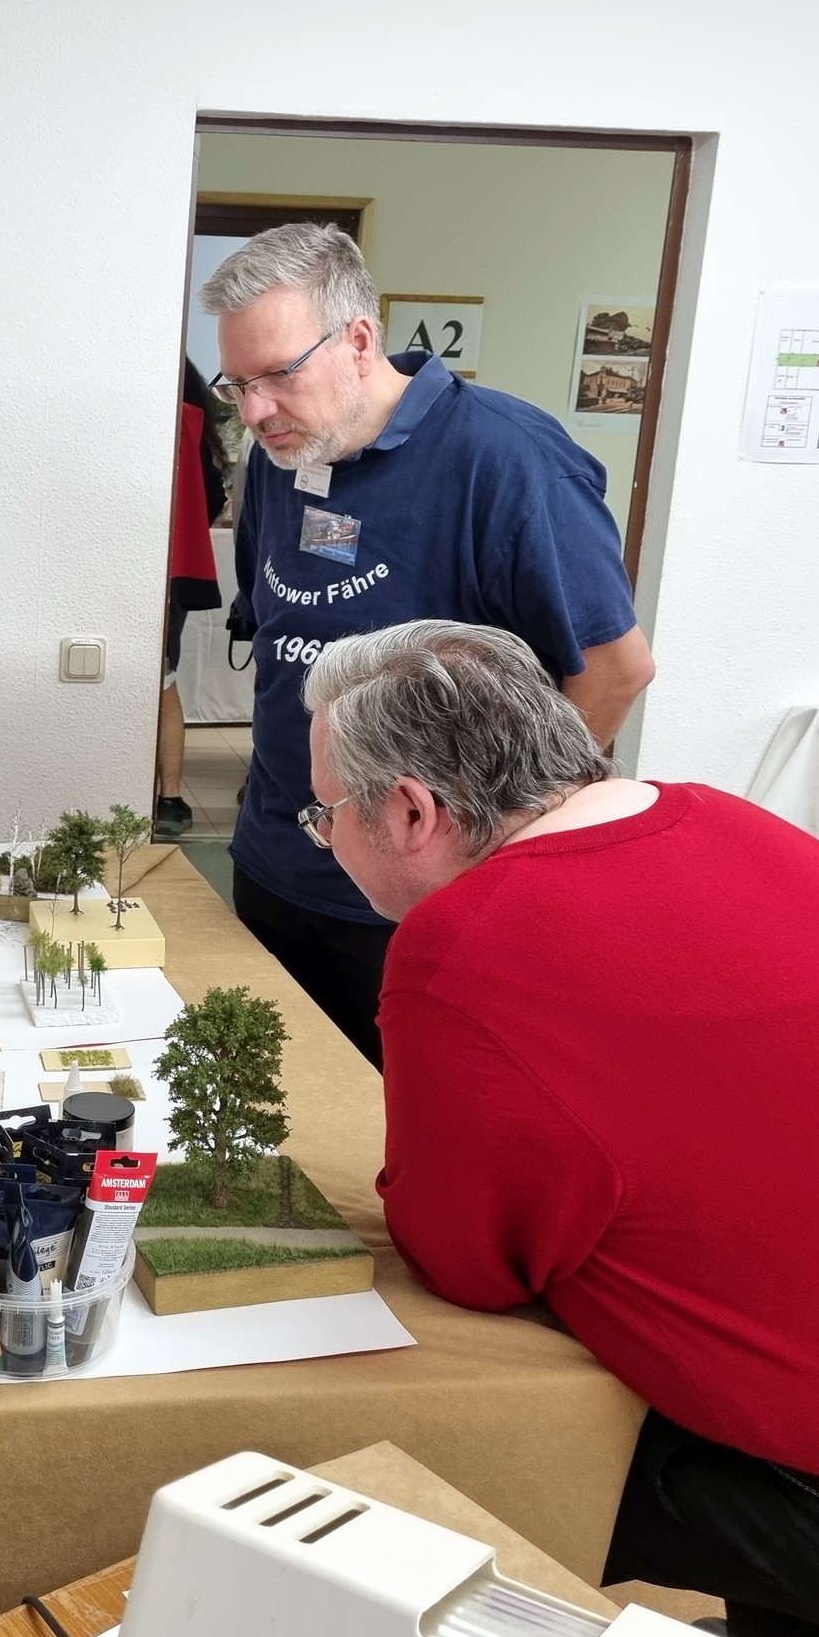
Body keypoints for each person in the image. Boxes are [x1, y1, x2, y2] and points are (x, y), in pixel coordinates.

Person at [301, 619, 819, 1637]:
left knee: (470, 1453)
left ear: (411, 810)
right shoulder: (727, 820)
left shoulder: (463, 946)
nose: (321, 837)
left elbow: (468, 1263)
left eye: (324, 814)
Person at [200, 223, 654, 1069]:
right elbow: (279, 633)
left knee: (403, 1120)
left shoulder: (508, 461)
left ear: (358, 340)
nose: (254, 411)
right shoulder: (278, 457)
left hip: (423, 897)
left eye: (278, 375)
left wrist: (498, 850)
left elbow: (616, 671)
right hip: (277, 860)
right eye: (238, 385)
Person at [154, 358, 224, 838]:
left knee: (155, 679)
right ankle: (169, 798)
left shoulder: (160, 419)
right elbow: (214, 496)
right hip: (175, 571)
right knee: (165, 679)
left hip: (138, 572)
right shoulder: (191, 424)